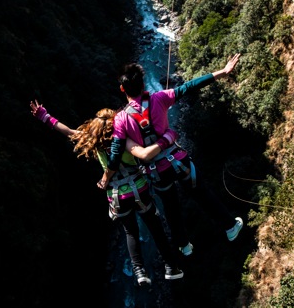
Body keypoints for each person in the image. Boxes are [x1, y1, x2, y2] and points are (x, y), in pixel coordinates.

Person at [98, 53, 244, 257]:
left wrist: (107, 178)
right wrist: (223, 72)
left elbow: (114, 155)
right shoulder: (160, 98)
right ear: (142, 84)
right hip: (178, 160)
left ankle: (184, 246)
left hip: (156, 172)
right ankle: (230, 227)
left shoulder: (120, 119)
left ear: (122, 89)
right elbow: (189, 87)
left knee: (171, 208)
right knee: (202, 194)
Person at [30, 100, 184, 286]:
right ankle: (171, 267)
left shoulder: (93, 140)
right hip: (140, 188)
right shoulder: (125, 139)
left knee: (131, 232)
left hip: (118, 196)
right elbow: (145, 151)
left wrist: (44, 117)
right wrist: (165, 136)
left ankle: (139, 271)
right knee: (155, 228)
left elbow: (69, 132)